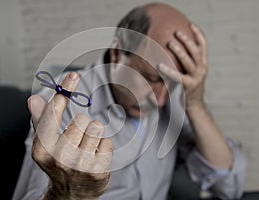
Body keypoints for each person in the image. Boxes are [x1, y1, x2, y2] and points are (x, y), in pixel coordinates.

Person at [13, 3, 246, 200]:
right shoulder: (63, 100)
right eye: (152, 78)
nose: (160, 99)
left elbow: (228, 187)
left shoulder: (169, 97)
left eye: (172, 83)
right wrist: (68, 192)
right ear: (117, 53)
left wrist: (195, 104)